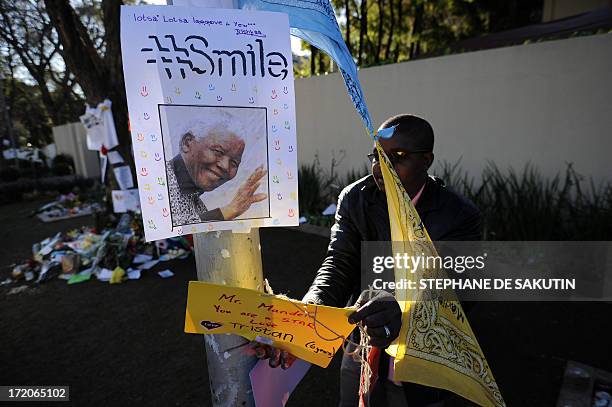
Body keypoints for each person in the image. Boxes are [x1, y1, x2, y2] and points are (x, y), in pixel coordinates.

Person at [256, 114, 481, 406]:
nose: (381, 168)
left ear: (427, 160)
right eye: (377, 156)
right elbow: (339, 263)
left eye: (397, 157)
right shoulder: (355, 198)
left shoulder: (459, 214)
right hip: (364, 337)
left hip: (425, 350)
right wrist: (310, 310)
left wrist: (401, 310)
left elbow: (460, 288)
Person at [166, 115, 267, 226]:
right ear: (187, 143)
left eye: (234, 163)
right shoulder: (156, 182)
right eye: (218, 152)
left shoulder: (197, 205)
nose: (225, 166)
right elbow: (170, 231)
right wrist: (230, 210)